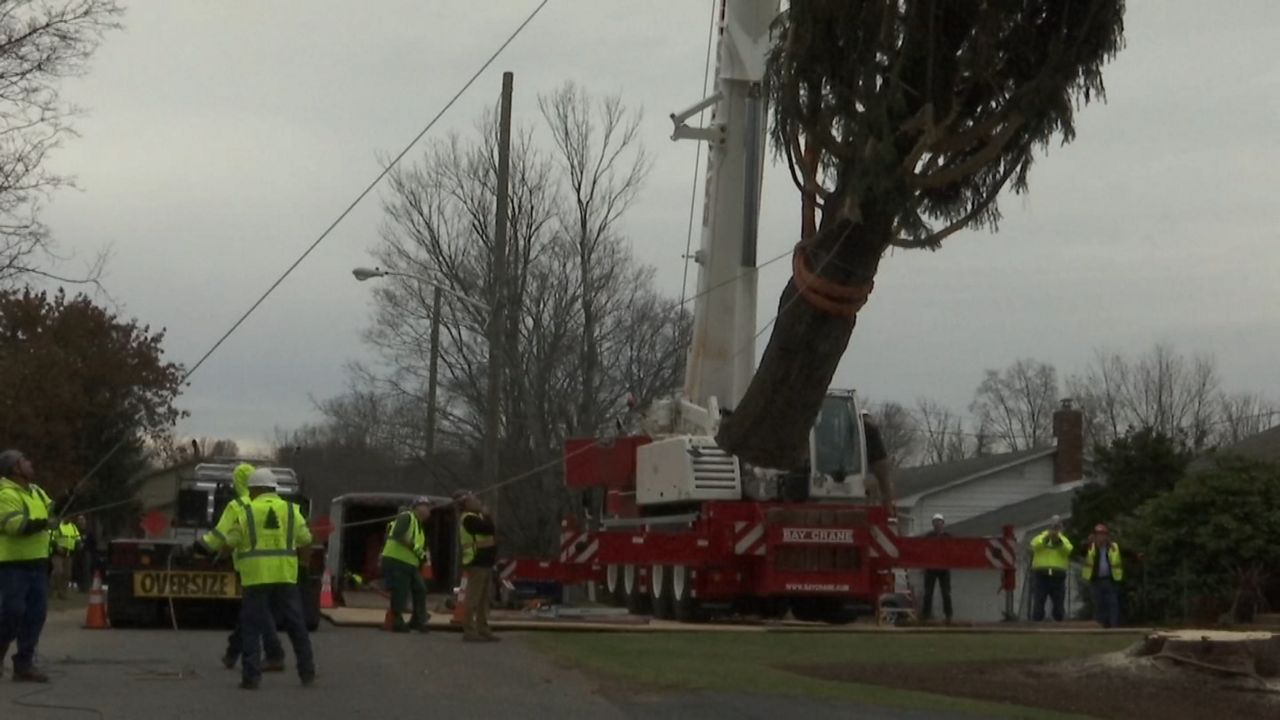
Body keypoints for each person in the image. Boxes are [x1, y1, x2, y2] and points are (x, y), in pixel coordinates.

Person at [202, 469, 315, 690]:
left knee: (251, 627)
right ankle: (307, 672)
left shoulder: (247, 512)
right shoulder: (292, 511)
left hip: (256, 579)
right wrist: (303, 567)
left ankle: (251, 677)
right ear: (273, 488)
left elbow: (231, 541)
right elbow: (306, 540)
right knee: (296, 625)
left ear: (255, 489)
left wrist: (219, 557)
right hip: (285, 577)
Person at [197, 463, 286, 671]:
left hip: (250, 567)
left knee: (257, 610)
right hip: (279, 567)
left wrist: (200, 547)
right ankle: (232, 653)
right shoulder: (275, 504)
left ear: (237, 482)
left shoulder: (238, 506)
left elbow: (219, 536)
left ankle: (274, 653)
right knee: (252, 609)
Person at [0, 450, 54, 682]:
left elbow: (53, 510)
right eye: (24, 461)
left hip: (38, 564)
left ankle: (24, 665)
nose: (30, 463)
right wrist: (44, 523)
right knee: (12, 613)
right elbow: (14, 526)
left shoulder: (37, 491)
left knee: (35, 615)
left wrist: (73, 495)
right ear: (14, 469)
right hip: (14, 565)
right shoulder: (5, 493)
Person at [380, 497, 433, 633]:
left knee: (420, 589)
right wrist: (416, 549)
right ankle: (397, 621)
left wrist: (421, 557)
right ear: (415, 507)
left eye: (428, 506)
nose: (427, 509)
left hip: (410, 564)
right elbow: (398, 535)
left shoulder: (419, 526)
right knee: (400, 592)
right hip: (397, 560)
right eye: (424, 506)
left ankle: (418, 620)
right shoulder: (406, 517)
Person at [455, 491, 498, 642]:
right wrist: (487, 515)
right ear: (466, 504)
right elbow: (488, 529)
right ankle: (469, 630)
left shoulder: (476, 517)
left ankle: (483, 628)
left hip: (485, 562)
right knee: (473, 598)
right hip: (476, 561)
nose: (478, 502)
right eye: (475, 500)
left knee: (484, 599)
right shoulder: (468, 519)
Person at [1029, 515, 1073, 622]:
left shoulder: (1064, 540)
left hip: (1058, 575)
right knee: (1039, 601)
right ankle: (1037, 622)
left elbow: (1068, 550)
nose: (1055, 530)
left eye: (1057, 527)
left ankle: (1059, 621)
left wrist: (1058, 541)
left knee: (1058, 603)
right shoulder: (1040, 537)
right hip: (1041, 574)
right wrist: (1047, 537)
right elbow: (1034, 546)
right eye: (1053, 527)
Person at [1082, 523, 1123, 628]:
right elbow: (1080, 550)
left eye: (1103, 534)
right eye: (1098, 535)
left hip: (1111, 580)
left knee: (1113, 604)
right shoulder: (1090, 547)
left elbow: (1126, 552)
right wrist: (1088, 542)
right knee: (1099, 604)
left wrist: (1137, 556)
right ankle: (1101, 626)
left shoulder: (1113, 547)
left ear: (1107, 536)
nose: (1101, 537)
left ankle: (1114, 626)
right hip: (1096, 581)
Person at [920, 513, 954, 624]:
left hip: (944, 569)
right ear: (933, 524)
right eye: (935, 522)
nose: (937, 524)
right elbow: (923, 551)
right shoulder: (928, 536)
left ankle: (948, 616)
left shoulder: (948, 537)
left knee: (946, 593)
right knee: (928, 593)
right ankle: (925, 616)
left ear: (943, 524)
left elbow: (953, 551)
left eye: (939, 522)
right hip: (931, 568)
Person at [860, 410, 895, 513]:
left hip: (877, 461)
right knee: (885, 485)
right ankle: (888, 507)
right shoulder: (872, 426)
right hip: (881, 460)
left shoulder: (867, 427)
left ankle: (884, 506)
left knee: (880, 484)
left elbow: (868, 447)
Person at [49, 517, 81, 600]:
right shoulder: (57, 526)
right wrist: (56, 546)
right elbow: (50, 537)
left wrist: (78, 543)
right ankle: (55, 589)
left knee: (67, 574)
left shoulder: (73, 527)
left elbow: (77, 537)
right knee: (58, 571)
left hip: (69, 553)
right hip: (58, 553)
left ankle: (63, 592)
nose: (70, 518)